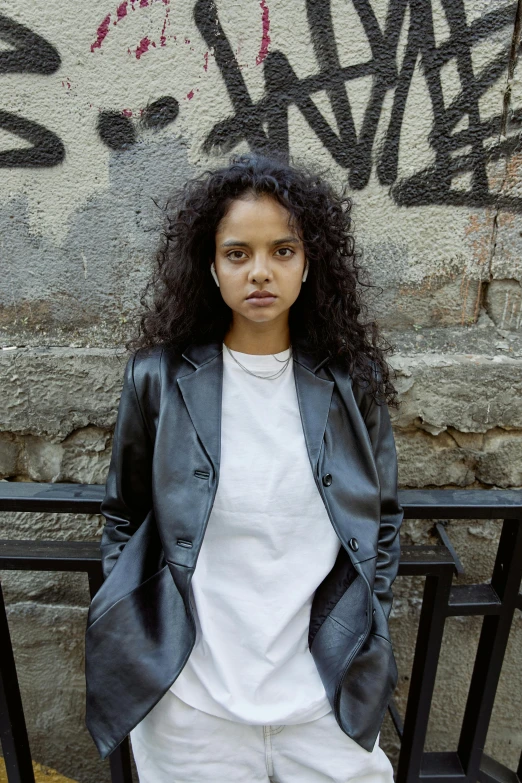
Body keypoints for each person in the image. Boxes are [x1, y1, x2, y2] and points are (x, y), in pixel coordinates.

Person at [84, 151, 404, 783]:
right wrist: (148, 630)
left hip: (322, 698)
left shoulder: (349, 385)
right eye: (238, 253)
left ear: (309, 263)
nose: (260, 272)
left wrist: (364, 626)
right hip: (194, 703)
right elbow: (125, 515)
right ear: (212, 265)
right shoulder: (160, 378)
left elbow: (382, 522)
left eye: (282, 251)